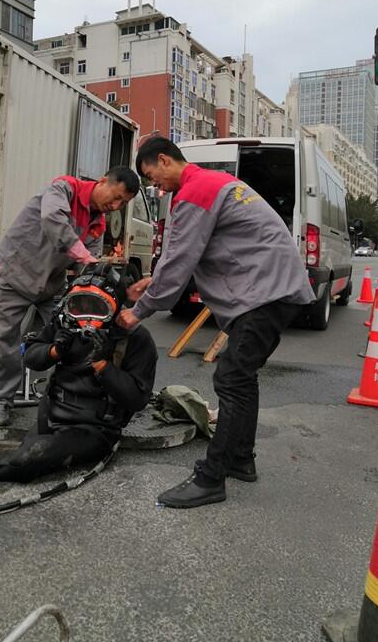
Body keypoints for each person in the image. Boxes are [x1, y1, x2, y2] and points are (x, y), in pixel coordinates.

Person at [117, 136, 315, 509]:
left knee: (231, 379)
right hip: (275, 288)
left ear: (164, 160)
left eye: (151, 176)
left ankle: (211, 478)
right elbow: (182, 254)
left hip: (265, 292)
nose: (153, 185)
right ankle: (241, 459)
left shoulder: (196, 191)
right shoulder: (209, 183)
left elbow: (180, 262)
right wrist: (153, 277)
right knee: (242, 378)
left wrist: (138, 311)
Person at [0, 264, 157, 482]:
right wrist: (54, 351)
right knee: (25, 452)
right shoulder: (65, 324)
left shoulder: (135, 338)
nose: (87, 319)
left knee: (30, 457)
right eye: (79, 306)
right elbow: (32, 355)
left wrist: (103, 366)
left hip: (95, 428)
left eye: (97, 307)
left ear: (116, 307)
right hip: (52, 414)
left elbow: (137, 399)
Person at [0, 166, 140, 427]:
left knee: (77, 331)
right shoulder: (63, 189)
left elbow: (86, 268)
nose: (115, 206)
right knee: (5, 342)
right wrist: (84, 256)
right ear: (103, 181)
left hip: (51, 284)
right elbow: (52, 219)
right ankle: (2, 399)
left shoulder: (97, 223)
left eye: (122, 204)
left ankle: (66, 393)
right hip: (13, 275)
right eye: (115, 197)